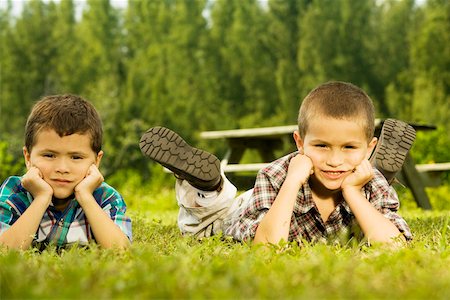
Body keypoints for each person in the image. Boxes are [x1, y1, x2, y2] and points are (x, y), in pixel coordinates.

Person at [139, 81, 414, 246]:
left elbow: (394, 246)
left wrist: (353, 192)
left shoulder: (369, 182)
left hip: (361, 179)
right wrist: (293, 181)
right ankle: (208, 186)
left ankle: (211, 189)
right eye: (321, 146)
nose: (334, 160)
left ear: (369, 149)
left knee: (373, 188)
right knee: (205, 223)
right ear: (299, 143)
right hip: (246, 211)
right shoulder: (276, 174)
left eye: (349, 148)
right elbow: (267, 247)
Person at [0, 95, 132, 250]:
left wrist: (86, 197)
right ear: (28, 157)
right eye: (49, 155)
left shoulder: (105, 197)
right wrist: (41, 198)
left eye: (76, 157)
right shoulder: (14, 191)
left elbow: (122, 252)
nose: (62, 168)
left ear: (96, 161)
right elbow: (4, 251)